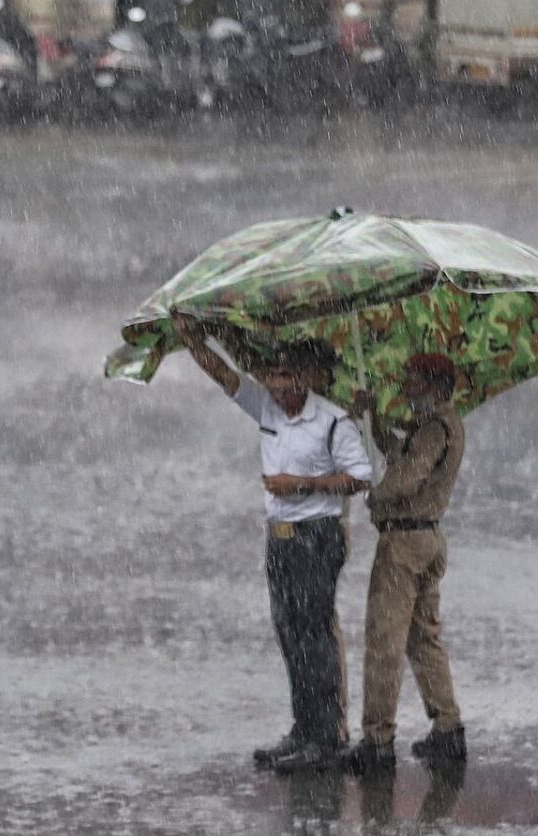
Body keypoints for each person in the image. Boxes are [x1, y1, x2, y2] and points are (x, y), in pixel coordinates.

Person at [171, 316, 372, 773]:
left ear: (306, 377)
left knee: (314, 635)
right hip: (279, 540)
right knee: (288, 633)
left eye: (286, 377)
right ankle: (303, 729)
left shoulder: (332, 420)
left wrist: (299, 484)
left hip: (316, 538)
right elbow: (223, 376)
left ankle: (327, 735)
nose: (278, 385)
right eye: (274, 376)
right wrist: (191, 338)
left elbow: (359, 477)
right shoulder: (266, 407)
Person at [344, 353, 468, 774]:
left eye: (412, 381)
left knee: (384, 643)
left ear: (434, 386)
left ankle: (377, 741)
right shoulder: (443, 426)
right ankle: (448, 729)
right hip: (428, 539)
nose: (405, 387)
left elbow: (406, 475)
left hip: (404, 544)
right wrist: (374, 421)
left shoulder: (435, 428)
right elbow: (402, 452)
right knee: (422, 638)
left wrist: (374, 497)